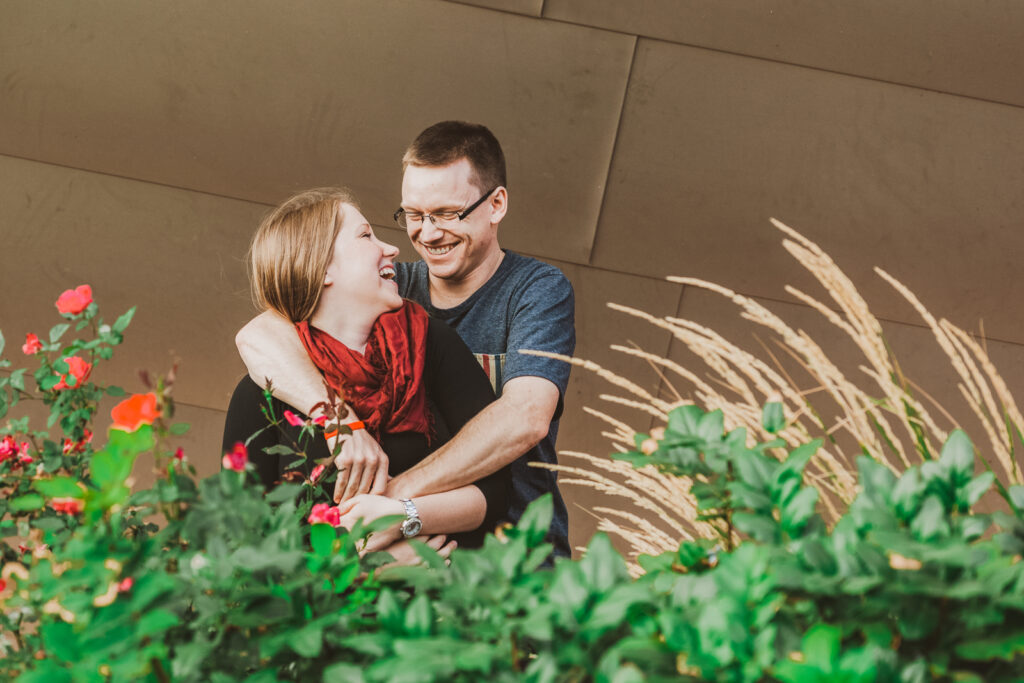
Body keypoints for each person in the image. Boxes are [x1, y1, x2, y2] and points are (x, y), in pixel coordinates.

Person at [236, 121, 575, 557]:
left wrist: (390, 504)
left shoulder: (534, 290)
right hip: (415, 562)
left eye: (448, 214)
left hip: (521, 554)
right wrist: (341, 425)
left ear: (496, 204)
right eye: (414, 215)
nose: (427, 234)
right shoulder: (390, 292)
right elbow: (260, 334)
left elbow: (524, 417)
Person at [222, 188, 510, 557]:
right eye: (365, 236)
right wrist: (364, 571)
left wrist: (405, 516)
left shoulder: (430, 343)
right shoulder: (261, 394)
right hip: (324, 610)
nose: (391, 249)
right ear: (323, 267)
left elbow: (496, 491)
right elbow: (239, 546)